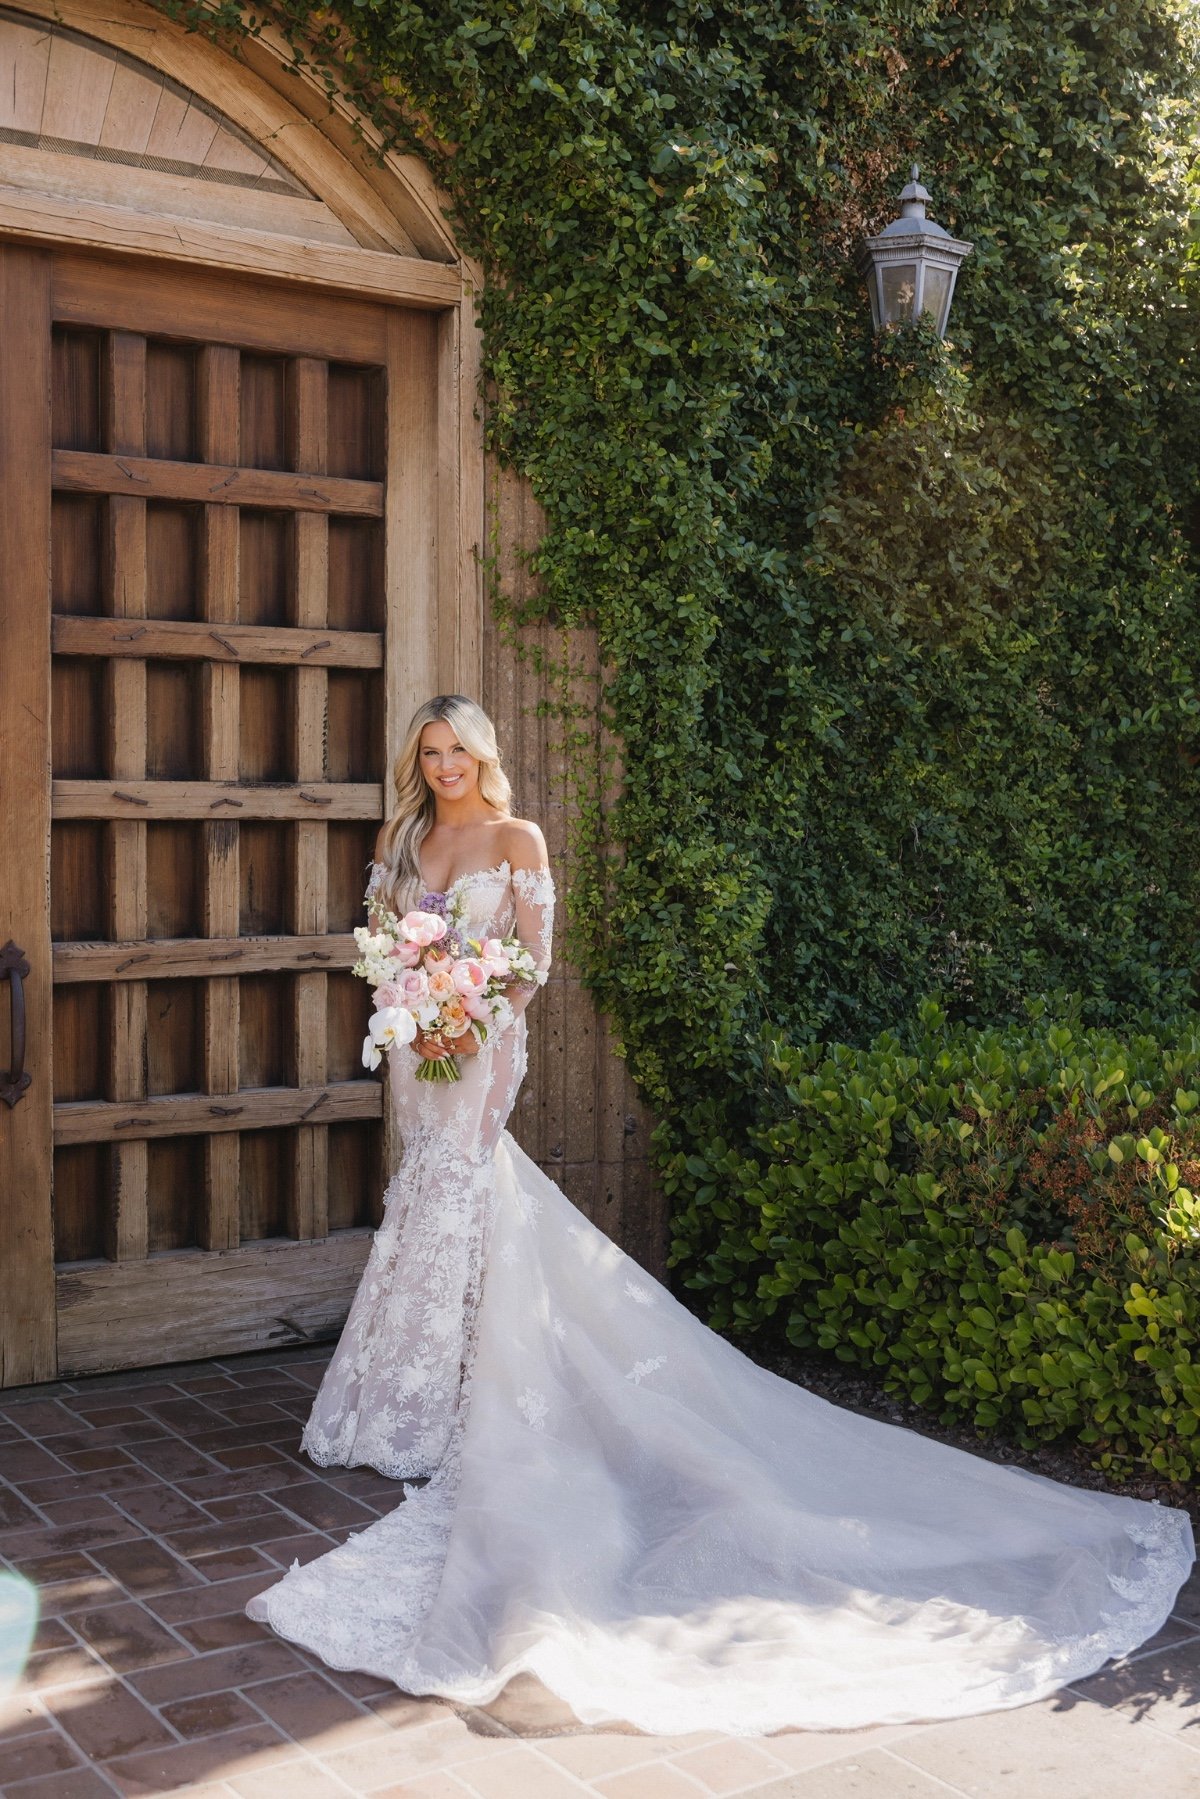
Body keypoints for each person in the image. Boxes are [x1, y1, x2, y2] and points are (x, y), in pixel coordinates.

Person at [248, 695, 1194, 1735]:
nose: (443, 769)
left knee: (467, 1182)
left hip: (479, 1045)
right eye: (428, 755)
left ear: (484, 754)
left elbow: (533, 962)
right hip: (417, 1048)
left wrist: (471, 1010)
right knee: (425, 1190)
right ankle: (398, 1397)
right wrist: (409, 988)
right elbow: (382, 940)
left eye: (457, 752)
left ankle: (466, 1389)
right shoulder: (408, 838)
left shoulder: (516, 837)